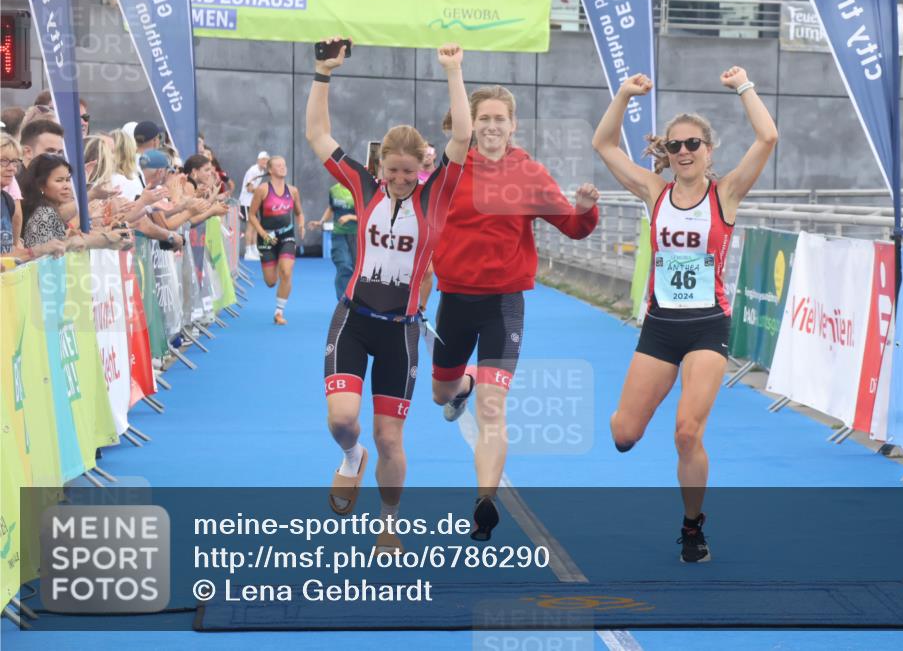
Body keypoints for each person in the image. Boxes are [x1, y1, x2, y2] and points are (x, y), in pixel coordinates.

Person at [592, 67, 777, 563]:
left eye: (694, 143)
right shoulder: (655, 192)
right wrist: (626, 94)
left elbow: (768, 136)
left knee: (686, 432)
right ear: (667, 154)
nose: (685, 152)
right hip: (660, 326)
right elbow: (604, 144)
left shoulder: (726, 195)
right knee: (624, 434)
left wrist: (743, 86)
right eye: (676, 146)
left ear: (709, 151)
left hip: (706, 326)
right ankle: (631, 425)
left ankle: (692, 526)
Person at [305, 38, 471, 552]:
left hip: (401, 333)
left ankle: (389, 521)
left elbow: (462, 136)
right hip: (353, 320)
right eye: (391, 171)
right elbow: (317, 134)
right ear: (380, 168)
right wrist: (323, 73)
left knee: (390, 438)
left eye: (407, 172)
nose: (399, 180)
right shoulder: (361, 185)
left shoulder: (434, 194)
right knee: (342, 421)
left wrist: (453, 72)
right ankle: (350, 459)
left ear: (418, 169)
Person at [425, 85, 600, 542]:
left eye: (500, 118)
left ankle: (485, 500)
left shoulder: (529, 174)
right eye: (484, 118)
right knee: (441, 394)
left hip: (504, 304)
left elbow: (573, 227)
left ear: (513, 124)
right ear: (472, 123)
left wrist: (585, 210)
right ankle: (461, 384)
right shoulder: (452, 168)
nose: (491, 126)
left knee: (493, 406)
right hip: (455, 301)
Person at [247, 155, 304, 325]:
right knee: (271, 281)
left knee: (286, 272)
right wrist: (263, 234)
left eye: (284, 165)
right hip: (267, 238)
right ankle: (277, 266)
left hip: (287, 235)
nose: (282, 167)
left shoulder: (293, 191)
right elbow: (252, 215)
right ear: (270, 170)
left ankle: (279, 312)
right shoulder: (263, 190)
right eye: (278, 165)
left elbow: (299, 213)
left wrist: (301, 225)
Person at [308, 179, 356, 299]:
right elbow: (331, 208)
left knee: (357, 269)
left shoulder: (358, 190)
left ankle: (357, 299)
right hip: (338, 234)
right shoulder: (334, 190)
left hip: (357, 236)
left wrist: (351, 217)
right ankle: (343, 301)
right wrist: (321, 222)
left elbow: (367, 213)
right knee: (343, 265)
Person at [239, 151, 269, 260]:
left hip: (253, 203)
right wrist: (262, 191)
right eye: (263, 159)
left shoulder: (260, 171)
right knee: (250, 226)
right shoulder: (253, 170)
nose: (265, 162)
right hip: (246, 202)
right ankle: (248, 252)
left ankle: (254, 249)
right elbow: (249, 188)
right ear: (258, 160)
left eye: (267, 160)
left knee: (255, 226)